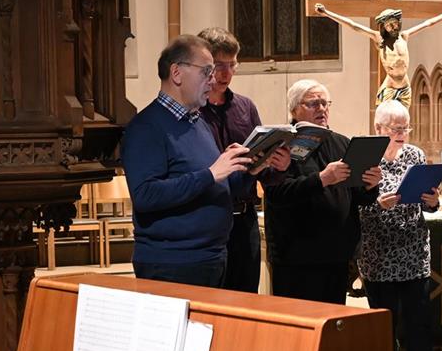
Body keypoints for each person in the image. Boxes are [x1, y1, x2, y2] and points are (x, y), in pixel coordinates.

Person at [121, 35, 285, 288]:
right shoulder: (146, 127)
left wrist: (253, 168)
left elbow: (220, 187)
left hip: (213, 256)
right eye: (206, 71)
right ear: (177, 73)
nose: (213, 79)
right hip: (173, 263)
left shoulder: (196, 122)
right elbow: (146, 195)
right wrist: (211, 173)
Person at [264, 79, 381, 304]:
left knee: (331, 325)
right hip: (297, 256)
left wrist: (370, 186)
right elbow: (277, 194)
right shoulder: (281, 144)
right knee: (298, 326)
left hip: (336, 254)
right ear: (294, 109)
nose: (322, 109)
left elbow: (358, 197)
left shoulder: (342, 143)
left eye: (325, 103)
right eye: (314, 104)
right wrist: (322, 179)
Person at [357, 100, 442, 351]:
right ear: (379, 129)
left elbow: (429, 202)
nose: (403, 133)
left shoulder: (415, 155)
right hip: (379, 255)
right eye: (396, 128)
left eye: (406, 127)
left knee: (419, 324)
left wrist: (432, 200)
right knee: (384, 326)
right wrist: (379, 205)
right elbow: (353, 203)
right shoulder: (366, 158)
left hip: (413, 252)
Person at [197, 27, 289, 293]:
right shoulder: (193, 110)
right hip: (209, 218)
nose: (226, 74)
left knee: (246, 296)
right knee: (212, 297)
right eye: (218, 65)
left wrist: (279, 166)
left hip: (244, 219)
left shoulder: (245, 107)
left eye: (232, 65)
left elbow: (262, 168)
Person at [314, 3, 442, 108]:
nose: (394, 27)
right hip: (390, 87)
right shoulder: (379, 39)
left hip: (405, 87)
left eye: (395, 24)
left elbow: (427, 24)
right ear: (384, 27)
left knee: (403, 123)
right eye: (390, 25)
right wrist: (327, 13)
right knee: (386, 123)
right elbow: (353, 25)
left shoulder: (404, 36)